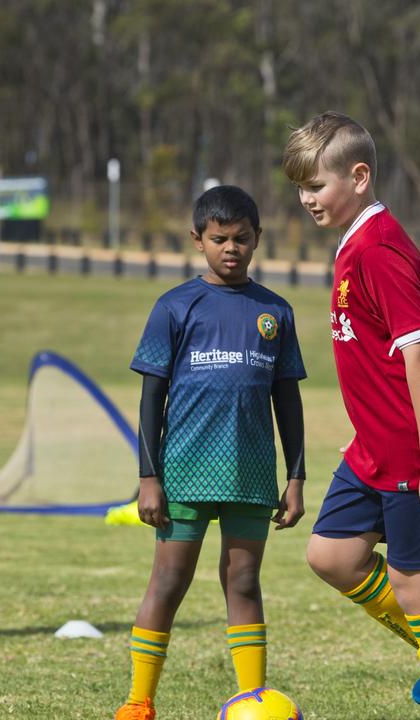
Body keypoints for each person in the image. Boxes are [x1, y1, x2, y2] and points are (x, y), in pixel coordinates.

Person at [284, 111, 420, 720]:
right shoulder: (354, 245)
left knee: (417, 587)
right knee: (332, 555)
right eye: (300, 188)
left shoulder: (380, 250)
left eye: (316, 185)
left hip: (417, 448)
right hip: (374, 445)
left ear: (358, 176)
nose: (306, 199)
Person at [116, 185, 307, 720]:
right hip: (183, 474)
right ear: (197, 240)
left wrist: (296, 477)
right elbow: (151, 398)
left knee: (243, 581)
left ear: (257, 240)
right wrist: (148, 476)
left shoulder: (276, 311)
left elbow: (287, 400)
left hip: (250, 476)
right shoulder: (175, 306)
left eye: (242, 239)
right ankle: (139, 700)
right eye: (219, 239)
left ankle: (254, 700)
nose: (231, 248)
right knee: (169, 582)